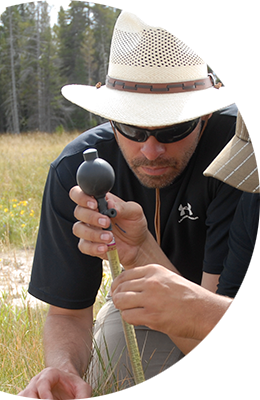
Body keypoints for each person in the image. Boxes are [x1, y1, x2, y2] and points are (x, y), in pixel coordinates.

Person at [16, 7, 244, 400]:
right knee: (123, 390)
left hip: (235, 313)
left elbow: (227, 356)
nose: (151, 150)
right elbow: (67, 313)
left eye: (174, 128)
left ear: (205, 115)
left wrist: (141, 254)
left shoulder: (239, 159)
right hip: (146, 310)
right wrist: (62, 370)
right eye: (132, 127)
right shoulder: (75, 168)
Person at [109, 61, 260, 400]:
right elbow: (233, 366)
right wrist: (141, 250)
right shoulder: (254, 199)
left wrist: (200, 310)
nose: (151, 150)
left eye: (173, 128)